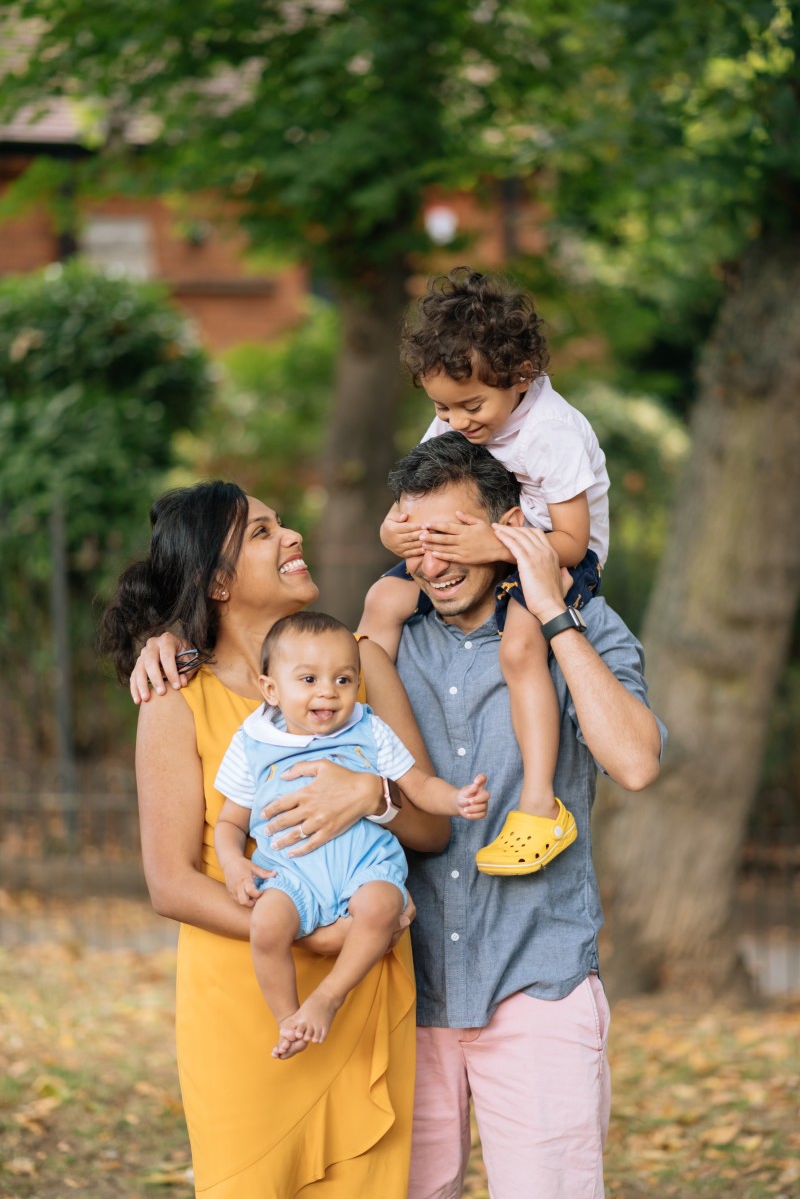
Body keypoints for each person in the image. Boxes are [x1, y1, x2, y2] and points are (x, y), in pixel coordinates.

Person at [100, 481, 452, 1199]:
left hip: (362, 992)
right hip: (244, 1008)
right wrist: (310, 940)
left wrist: (372, 796)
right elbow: (171, 882)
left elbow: (433, 827)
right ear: (219, 583)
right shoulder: (175, 699)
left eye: (281, 523)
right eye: (262, 533)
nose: (292, 536)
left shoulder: (359, 668)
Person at [379, 433, 664, 1199]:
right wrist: (167, 639)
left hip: (537, 984)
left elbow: (636, 762)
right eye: (415, 542)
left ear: (510, 528)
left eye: (451, 540)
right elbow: (261, 677)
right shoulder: (383, 639)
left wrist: (551, 611)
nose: (430, 564)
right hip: (402, 993)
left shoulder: (585, 629)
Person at [359, 267, 610, 877]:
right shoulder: (453, 419)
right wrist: (395, 532)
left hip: (543, 553)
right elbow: (409, 502)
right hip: (473, 540)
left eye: (472, 405)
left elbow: (573, 542)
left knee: (523, 647)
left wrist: (491, 546)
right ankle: (365, 739)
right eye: (442, 406)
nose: (458, 421)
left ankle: (538, 803)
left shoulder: (553, 432)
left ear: (519, 376)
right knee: (380, 601)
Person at [213, 609, 488, 1060]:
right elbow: (230, 822)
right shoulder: (253, 741)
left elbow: (417, 785)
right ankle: (287, 1019)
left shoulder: (368, 730)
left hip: (363, 867)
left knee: (382, 905)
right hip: (290, 875)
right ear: (270, 689)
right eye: (308, 680)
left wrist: (456, 800)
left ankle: (328, 997)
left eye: (344, 680)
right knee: (265, 926)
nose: (328, 691)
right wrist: (232, 862)